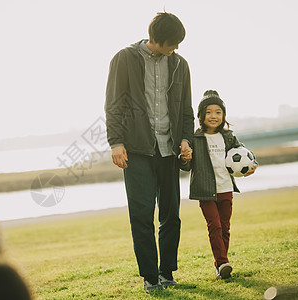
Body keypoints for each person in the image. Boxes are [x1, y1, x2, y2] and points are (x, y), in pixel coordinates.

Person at [104, 12, 194, 292]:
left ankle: (167, 272)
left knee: (171, 215)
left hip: (169, 149)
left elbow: (186, 109)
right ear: (157, 39)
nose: (176, 48)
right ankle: (150, 278)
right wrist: (115, 141)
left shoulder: (180, 65)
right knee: (141, 214)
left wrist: (186, 139)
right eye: (173, 43)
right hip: (137, 149)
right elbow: (113, 103)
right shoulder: (124, 58)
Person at [180, 90, 257, 279]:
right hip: (205, 191)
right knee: (214, 225)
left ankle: (220, 264)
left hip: (226, 189)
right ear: (200, 116)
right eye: (208, 112)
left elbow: (245, 156)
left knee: (224, 227)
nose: (213, 116)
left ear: (223, 115)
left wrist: (253, 166)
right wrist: (185, 158)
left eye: (218, 112)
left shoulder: (229, 137)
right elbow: (187, 166)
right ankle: (223, 262)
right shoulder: (194, 138)